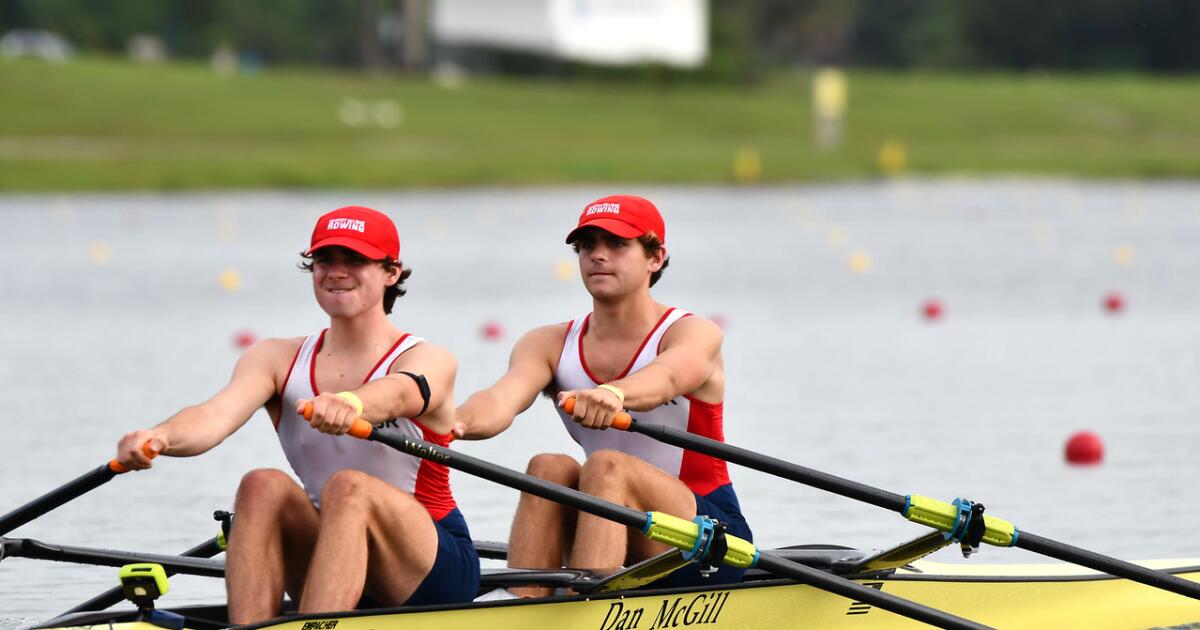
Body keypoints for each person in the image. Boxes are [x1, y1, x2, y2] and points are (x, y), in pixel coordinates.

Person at [113, 206, 479, 622]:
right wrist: (159, 437)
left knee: (349, 487)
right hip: (332, 553)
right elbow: (213, 416)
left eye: (355, 260)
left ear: (391, 272)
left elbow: (401, 392)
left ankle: (317, 620)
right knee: (260, 484)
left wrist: (353, 404)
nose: (337, 272)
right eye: (325, 260)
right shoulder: (275, 358)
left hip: (432, 568)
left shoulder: (428, 358)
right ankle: (249, 625)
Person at [455, 194, 751, 597]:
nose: (598, 255)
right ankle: (524, 603)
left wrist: (614, 393)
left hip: (709, 538)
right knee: (548, 467)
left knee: (608, 465)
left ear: (655, 257)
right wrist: (452, 423)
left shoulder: (693, 333)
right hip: (614, 525)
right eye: (588, 245)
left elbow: (665, 378)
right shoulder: (548, 343)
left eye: (616, 244)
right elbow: (500, 400)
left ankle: (583, 604)